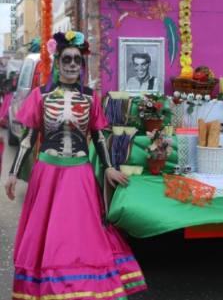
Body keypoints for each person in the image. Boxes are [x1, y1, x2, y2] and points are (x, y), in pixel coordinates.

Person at [4, 31, 147, 300]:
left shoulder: (91, 98)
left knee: (80, 233)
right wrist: (12, 173)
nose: (72, 65)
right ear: (57, 63)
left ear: (82, 66)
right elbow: (29, 137)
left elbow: (98, 135)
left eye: (77, 61)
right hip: (47, 173)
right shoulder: (41, 96)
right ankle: (49, 287)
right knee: (48, 235)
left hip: (79, 173)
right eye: (66, 59)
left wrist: (108, 168)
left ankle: (80, 286)